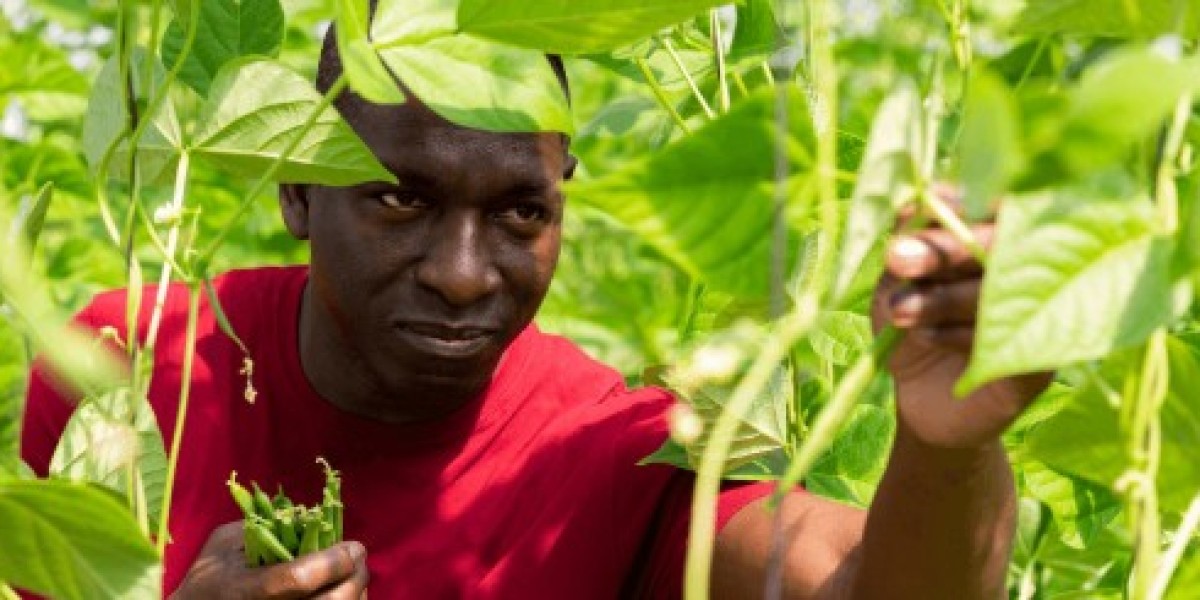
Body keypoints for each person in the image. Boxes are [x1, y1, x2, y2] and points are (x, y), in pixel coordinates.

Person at [20, 25, 1048, 600]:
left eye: (519, 211)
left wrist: (947, 444)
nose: (465, 276)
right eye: (398, 197)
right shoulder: (136, 359)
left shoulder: (613, 452)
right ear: (296, 189)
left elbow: (871, 589)